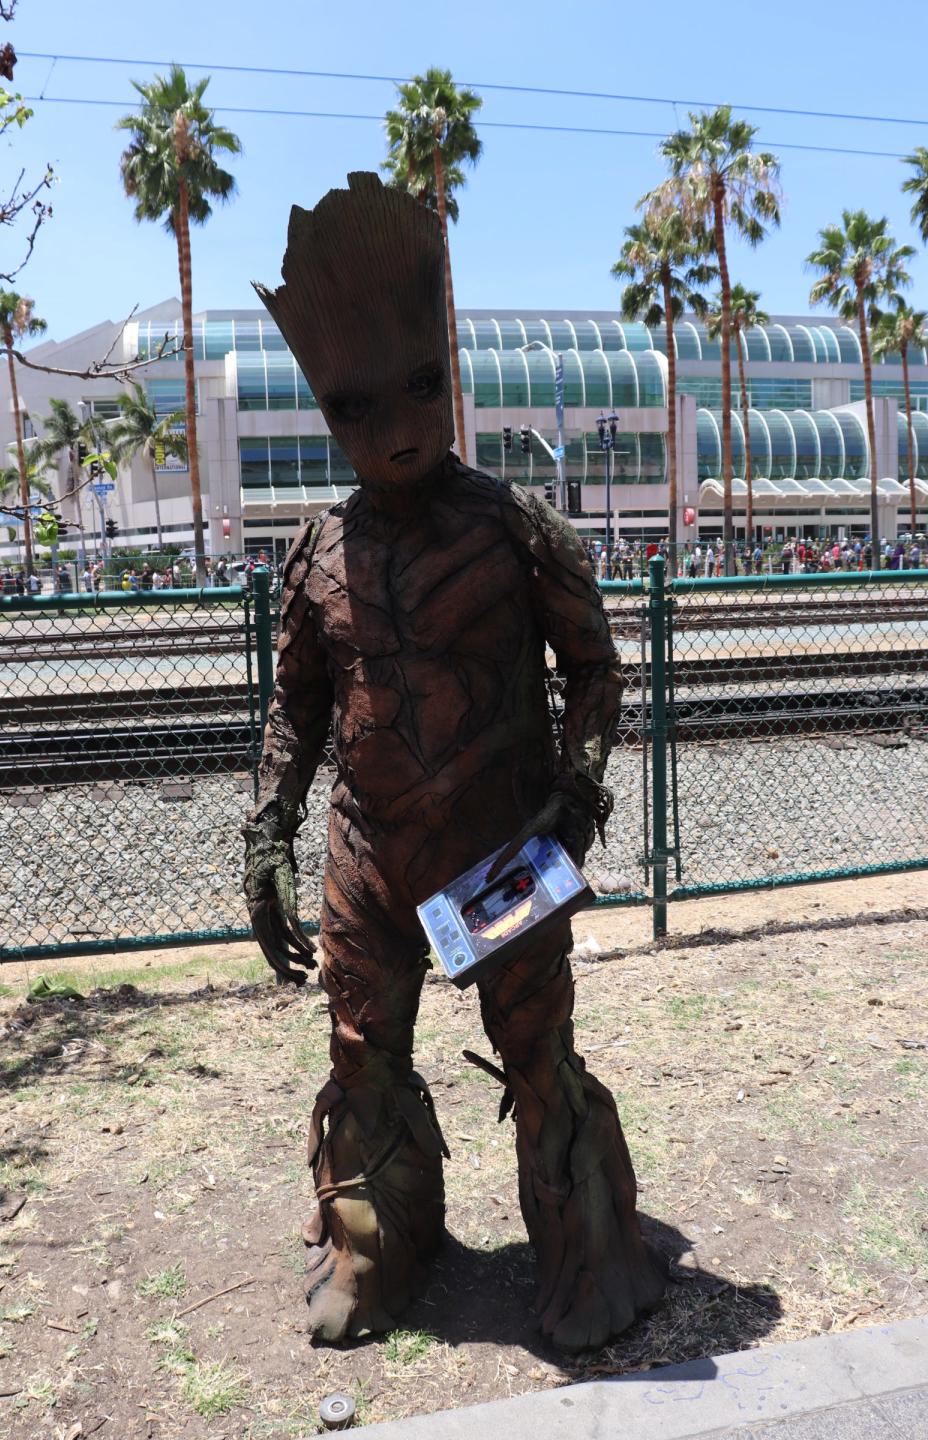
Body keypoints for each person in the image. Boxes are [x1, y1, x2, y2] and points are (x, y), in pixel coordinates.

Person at [244, 172, 663, 1350]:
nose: (397, 430)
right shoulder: (317, 553)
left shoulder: (515, 528)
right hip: (367, 861)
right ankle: (376, 1246)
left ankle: (589, 1255)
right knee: (361, 1057)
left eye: (421, 391)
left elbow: (595, 669)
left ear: (450, 380)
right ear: (330, 414)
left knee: (539, 1056)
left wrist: (574, 801)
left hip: (505, 853)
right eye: (357, 409)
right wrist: (268, 838)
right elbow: (296, 710)